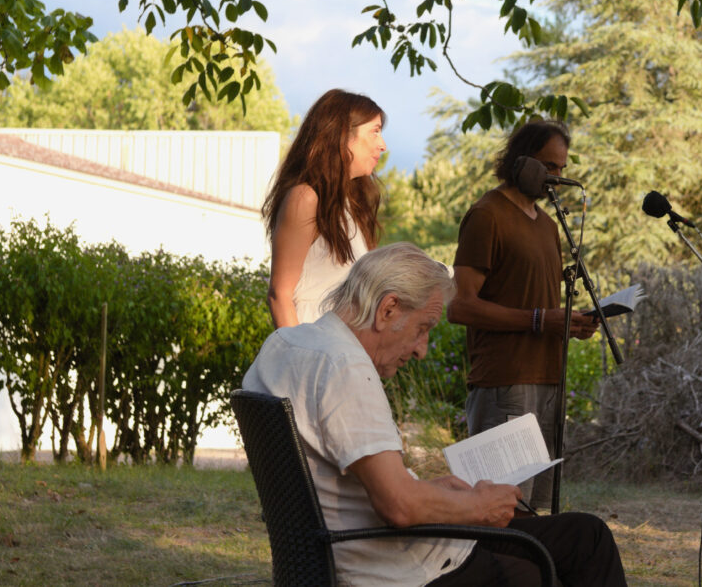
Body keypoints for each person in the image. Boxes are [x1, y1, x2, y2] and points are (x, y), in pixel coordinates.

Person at [242, 242, 627, 586]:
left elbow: (361, 485)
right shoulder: (345, 367)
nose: (422, 349)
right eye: (423, 328)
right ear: (388, 308)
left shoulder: (283, 345)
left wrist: (435, 489)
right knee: (549, 560)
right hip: (398, 566)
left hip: (340, 553)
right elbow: (399, 505)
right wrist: (480, 506)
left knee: (584, 536)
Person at [447, 120, 598, 508]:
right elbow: (460, 305)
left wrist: (569, 323)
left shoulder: (548, 226)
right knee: (503, 509)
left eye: (562, 169)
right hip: (507, 384)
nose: (556, 178)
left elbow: (538, 303)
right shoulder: (487, 214)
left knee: (536, 510)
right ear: (519, 161)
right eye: (548, 167)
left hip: (549, 380)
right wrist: (538, 320)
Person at [262, 89, 387, 328]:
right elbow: (279, 295)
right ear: (343, 135)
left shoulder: (349, 206)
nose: (382, 145)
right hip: (314, 349)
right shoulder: (305, 198)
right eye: (375, 132)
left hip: (343, 351)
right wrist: (301, 357)